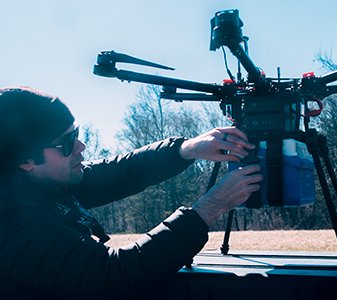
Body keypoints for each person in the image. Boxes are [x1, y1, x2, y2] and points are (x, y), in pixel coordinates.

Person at [0, 86, 262, 299]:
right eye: (66, 143)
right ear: (25, 160)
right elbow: (111, 277)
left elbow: (121, 173)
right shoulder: (10, 218)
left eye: (76, 133)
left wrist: (187, 148)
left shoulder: (40, 181)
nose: (81, 145)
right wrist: (209, 208)